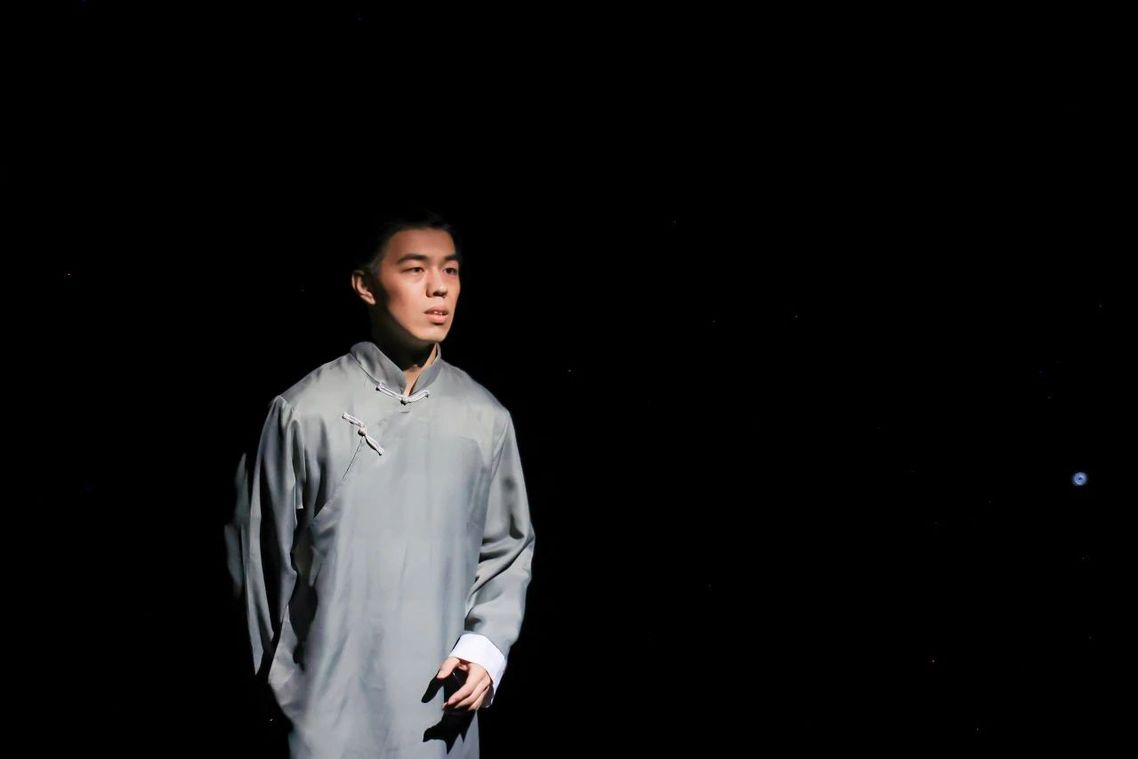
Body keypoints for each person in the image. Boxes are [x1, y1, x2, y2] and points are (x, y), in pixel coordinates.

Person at [227, 210, 536, 758]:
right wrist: (287, 697)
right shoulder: (304, 412)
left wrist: (486, 648)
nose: (439, 287)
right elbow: (258, 569)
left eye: (450, 270)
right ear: (366, 285)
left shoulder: (485, 419)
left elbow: (507, 552)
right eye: (415, 269)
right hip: (322, 718)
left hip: (436, 717)